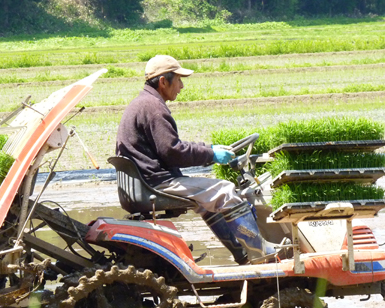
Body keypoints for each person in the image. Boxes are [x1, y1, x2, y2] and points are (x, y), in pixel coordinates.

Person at [115, 54, 280, 264]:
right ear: (164, 82)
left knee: (205, 203)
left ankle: (242, 255)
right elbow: (172, 152)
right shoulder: (154, 108)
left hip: (146, 181)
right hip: (156, 183)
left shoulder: (142, 103)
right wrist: (212, 155)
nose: (182, 86)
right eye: (179, 80)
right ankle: (260, 252)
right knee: (226, 191)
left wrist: (208, 148)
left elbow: (169, 146)